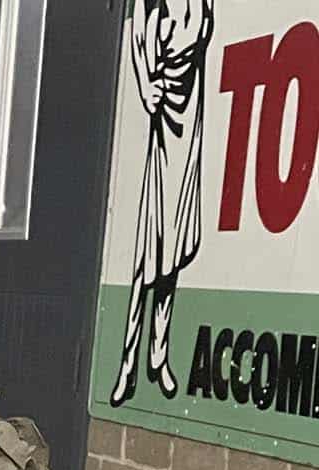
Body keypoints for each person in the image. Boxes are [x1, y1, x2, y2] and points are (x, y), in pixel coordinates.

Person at [110, 0, 214, 406]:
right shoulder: (152, 8)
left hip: (191, 127)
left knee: (175, 245)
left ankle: (158, 353)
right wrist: (145, 83)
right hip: (164, 127)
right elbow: (138, 43)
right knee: (148, 252)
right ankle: (127, 364)